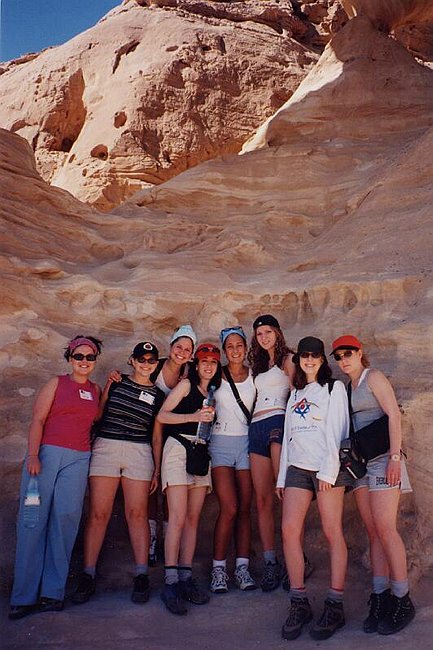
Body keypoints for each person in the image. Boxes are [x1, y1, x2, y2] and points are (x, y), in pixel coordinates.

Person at [9, 335, 102, 620]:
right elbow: (38, 419)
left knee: (65, 521)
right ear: (70, 358)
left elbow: (97, 419)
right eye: (79, 356)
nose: (84, 361)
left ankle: (53, 593)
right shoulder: (56, 384)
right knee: (32, 520)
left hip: (78, 458)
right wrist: (34, 455)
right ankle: (23, 597)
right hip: (47, 456)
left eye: (89, 357)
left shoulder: (96, 389)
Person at [331, 334, 415, 635]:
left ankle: (402, 598)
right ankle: (380, 596)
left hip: (383, 459)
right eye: (338, 356)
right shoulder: (347, 386)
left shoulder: (373, 377)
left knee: (385, 527)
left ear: (360, 352)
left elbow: (393, 414)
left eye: (348, 353)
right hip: (362, 464)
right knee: (372, 530)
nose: (344, 360)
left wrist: (395, 457)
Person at [72, 341, 164, 606]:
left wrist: (156, 468)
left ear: (156, 364)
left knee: (137, 514)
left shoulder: (158, 396)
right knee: (99, 514)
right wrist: (109, 385)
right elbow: (99, 414)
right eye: (141, 359)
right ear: (132, 361)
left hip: (139, 452)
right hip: (107, 447)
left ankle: (142, 574)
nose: (146, 364)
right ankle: (88, 574)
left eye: (151, 361)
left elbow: (156, 436)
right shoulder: (117, 381)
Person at [276, 336, 352, 641]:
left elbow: (338, 429)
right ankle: (299, 600)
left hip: (326, 467)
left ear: (323, 360)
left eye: (315, 356)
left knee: (332, 531)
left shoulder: (334, 389)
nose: (309, 360)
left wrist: (329, 471)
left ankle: (335, 604)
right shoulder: (295, 393)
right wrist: (282, 477)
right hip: (297, 467)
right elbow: (287, 436)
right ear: (299, 360)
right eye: (304, 356)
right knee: (289, 530)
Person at [157, 343, 222, 615]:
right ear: (196, 364)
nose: (208, 366)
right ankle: (170, 580)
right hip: (178, 448)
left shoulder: (213, 393)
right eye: (203, 361)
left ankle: (185, 576)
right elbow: (162, 415)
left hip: (200, 451)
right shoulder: (185, 386)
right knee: (178, 516)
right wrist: (193, 416)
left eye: (213, 362)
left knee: (193, 518)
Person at [247, 314, 294, 591]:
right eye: (259, 333)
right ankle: (271, 562)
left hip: (278, 422)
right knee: (262, 499)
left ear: (277, 331)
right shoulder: (258, 364)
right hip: (256, 426)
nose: (264, 337)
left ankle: (294, 561)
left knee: (284, 493)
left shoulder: (289, 359)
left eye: (267, 331)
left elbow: (299, 391)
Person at [209, 326, 257, 594]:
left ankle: (242, 567)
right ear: (224, 350)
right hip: (221, 444)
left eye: (239, 345)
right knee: (229, 507)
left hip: (247, 444)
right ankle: (218, 569)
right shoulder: (216, 372)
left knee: (245, 508)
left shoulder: (255, 376)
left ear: (246, 348)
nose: (235, 350)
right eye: (230, 346)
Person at [148, 325, 197, 564]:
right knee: (149, 486)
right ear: (171, 346)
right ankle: (151, 538)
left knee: (169, 488)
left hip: (171, 432)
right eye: (179, 346)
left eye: (187, 349)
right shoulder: (154, 365)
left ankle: (169, 538)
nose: (182, 352)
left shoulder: (188, 372)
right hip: (146, 429)